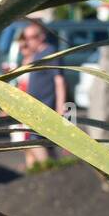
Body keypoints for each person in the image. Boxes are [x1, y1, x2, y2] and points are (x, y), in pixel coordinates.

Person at [10, 20, 67, 169]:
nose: (28, 41)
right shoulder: (36, 55)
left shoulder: (50, 53)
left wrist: (61, 108)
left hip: (45, 106)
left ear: (41, 37)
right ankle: (48, 169)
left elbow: (59, 80)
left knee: (35, 140)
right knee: (40, 141)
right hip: (33, 106)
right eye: (26, 37)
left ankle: (48, 169)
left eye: (31, 38)